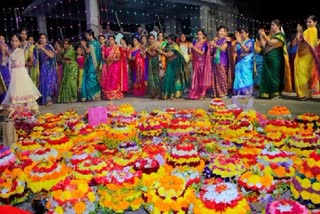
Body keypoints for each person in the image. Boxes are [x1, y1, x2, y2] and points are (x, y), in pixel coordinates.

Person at [1, 34, 41, 118]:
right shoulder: (12, 50)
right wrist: (3, 53)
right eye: (12, 41)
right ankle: (19, 111)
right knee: (15, 91)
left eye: (16, 41)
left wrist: (6, 51)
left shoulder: (20, 50)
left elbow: (13, 58)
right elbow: (4, 62)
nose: (14, 43)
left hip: (20, 74)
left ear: (19, 42)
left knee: (21, 91)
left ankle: (27, 110)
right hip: (14, 74)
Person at [259, 19, 290, 99]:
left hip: (276, 59)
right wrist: (261, 35)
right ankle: (267, 93)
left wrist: (264, 35)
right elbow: (263, 46)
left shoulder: (280, 35)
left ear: (278, 26)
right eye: (271, 25)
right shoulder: (272, 36)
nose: (271, 26)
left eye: (273, 25)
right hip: (268, 59)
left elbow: (270, 43)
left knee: (275, 76)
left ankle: (276, 94)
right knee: (267, 76)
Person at [295, 15, 320, 100]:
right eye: (307, 22)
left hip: (305, 56)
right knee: (307, 74)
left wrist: (299, 31)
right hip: (310, 56)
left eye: (310, 22)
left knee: (301, 73)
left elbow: (299, 40)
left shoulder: (309, 31)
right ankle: (308, 93)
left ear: (315, 22)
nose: (308, 23)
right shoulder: (315, 31)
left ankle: (304, 94)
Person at [158, 34, 189, 100]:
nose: (168, 40)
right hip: (169, 64)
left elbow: (169, 54)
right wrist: (161, 49)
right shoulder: (168, 45)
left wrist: (160, 52)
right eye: (167, 39)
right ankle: (167, 94)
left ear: (172, 40)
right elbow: (163, 50)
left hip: (175, 65)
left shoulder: (175, 47)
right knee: (167, 78)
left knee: (172, 79)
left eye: (169, 39)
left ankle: (172, 94)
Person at [36, 33, 58, 105]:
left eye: (44, 38)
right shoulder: (37, 48)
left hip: (49, 68)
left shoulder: (49, 46)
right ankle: (44, 99)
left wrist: (42, 48)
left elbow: (51, 55)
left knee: (48, 83)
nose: (42, 39)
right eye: (41, 38)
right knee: (43, 83)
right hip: (42, 68)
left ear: (46, 39)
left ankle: (49, 99)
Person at [100, 35, 124, 100]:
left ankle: (115, 94)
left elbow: (118, 58)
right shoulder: (105, 48)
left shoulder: (117, 48)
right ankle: (108, 94)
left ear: (114, 40)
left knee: (114, 79)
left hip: (115, 65)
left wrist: (112, 59)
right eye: (109, 39)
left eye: (112, 39)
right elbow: (103, 57)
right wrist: (106, 59)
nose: (110, 41)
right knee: (108, 79)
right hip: (108, 66)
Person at [81, 30, 101, 101]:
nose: (86, 36)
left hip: (93, 64)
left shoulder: (94, 43)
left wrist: (84, 46)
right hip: (89, 63)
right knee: (89, 78)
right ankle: (91, 96)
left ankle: (94, 95)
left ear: (90, 35)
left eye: (87, 35)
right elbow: (85, 53)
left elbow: (87, 51)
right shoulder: (92, 43)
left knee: (91, 78)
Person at [233, 28, 254, 95]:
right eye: (240, 33)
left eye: (242, 32)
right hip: (239, 61)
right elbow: (234, 50)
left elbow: (247, 50)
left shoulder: (250, 41)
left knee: (246, 76)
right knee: (239, 76)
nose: (241, 34)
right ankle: (240, 92)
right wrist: (236, 43)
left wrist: (240, 42)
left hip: (246, 62)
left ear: (247, 34)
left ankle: (247, 92)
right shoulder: (239, 42)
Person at [210, 26, 229, 98]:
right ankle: (217, 93)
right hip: (215, 61)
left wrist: (214, 45)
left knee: (222, 77)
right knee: (215, 77)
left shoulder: (225, 41)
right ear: (217, 32)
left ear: (225, 33)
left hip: (222, 61)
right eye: (220, 31)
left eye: (223, 31)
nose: (221, 32)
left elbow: (223, 49)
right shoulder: (217, 41)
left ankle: (224, 93)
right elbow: (212, 51)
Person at [146, 34, 160, 99]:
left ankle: (157, 94)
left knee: (155, 78)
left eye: (152, 38)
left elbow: (153, 54)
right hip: (150, 62)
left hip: (155, 62)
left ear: (154, 39)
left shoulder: (155, 45)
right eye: (149, 38)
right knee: (151, 78)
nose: (150, 40)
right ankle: (152, 93)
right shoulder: (149, 45)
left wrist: (147, 50)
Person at [0, 35, 10, 103]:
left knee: (7, 85)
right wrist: (2, 52)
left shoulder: (7, 47)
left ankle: (7, 102)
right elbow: (1, 61)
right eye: (0, 39)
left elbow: (11, 57)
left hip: (6, 68)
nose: (1, 41)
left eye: (3, 39)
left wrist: (5, 50)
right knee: (2, 86)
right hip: (0, 69)